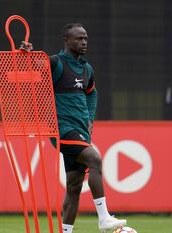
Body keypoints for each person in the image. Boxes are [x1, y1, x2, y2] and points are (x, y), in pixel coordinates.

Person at [20, 23, 127, 233]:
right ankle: (104, 218)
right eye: (79, 38)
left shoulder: (87, 68)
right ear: (66, 40)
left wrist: (90, 118)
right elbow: (35, 67)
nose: (84, 42)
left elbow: (92, 92)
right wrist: (27, 55)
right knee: (95, 159)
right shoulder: (56, 62)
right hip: (61, 128)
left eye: (86, 38)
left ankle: (65, 232)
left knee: (74, 186)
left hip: (80, 130)